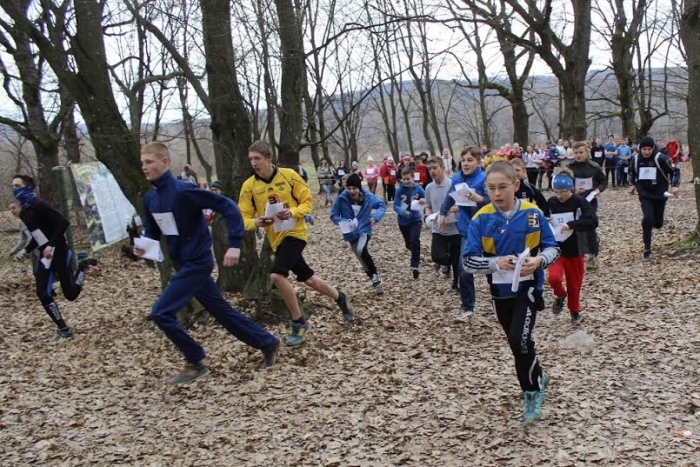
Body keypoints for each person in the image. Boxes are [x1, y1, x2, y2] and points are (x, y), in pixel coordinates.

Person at [135, 142, 280, 383]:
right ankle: (267, 342)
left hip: (197, 262)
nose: (145, 167)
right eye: (142, 163)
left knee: (161, 313)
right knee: (221, 311)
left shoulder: (184, 191)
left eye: (149, 162)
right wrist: (144, 245)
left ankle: (195, 359)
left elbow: (227, 206)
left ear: (165, 162)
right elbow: (153, 229)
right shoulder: (150, 198)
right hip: (183, 264)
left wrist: (235, 243)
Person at [463, 161, 560, 424]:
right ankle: (539, 374)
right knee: (518, 344)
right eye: (491, 188)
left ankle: (531, 394)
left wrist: (538, 262)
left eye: (503, 187)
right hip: (499, 292)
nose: (497, 194)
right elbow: (468, 261)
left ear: (516, 185)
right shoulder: (480, 218)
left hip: (528, 288)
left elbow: (553, 247)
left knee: (519, 340)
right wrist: (496, 263)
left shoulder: (533, 214)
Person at [239, 140, 354, 347]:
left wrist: (292, 212)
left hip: (296, 233)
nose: (254, 163)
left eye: (257, 158)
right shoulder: (249, 186)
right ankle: (340, 298)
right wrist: (256, 222)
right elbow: (243, 218)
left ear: (269, 158)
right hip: (276, 239)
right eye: (251, 159)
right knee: (308, 278)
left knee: (277, 274)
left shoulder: (289, 176)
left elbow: (308, 203)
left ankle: (298, 322)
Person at [11, 174, 96, 341]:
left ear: (28, 186)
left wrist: (51, 244)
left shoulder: (40, 204)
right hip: (45, 255)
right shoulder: (25, 212)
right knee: (42, 293)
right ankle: (64, 329)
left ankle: (82, 266)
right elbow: (37, 236)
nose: (14, 189)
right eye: (13, 186)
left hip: (59, 251)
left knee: (70, 294)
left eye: (17, 185)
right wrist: (26, 251)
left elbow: (63, 223)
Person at [438, 146, 487, 321]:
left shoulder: (484, 179)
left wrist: (480, 199)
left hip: (488, 229)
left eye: (470, 160)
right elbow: (451, 197)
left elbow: (495, 202)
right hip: (468, 229)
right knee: (464, 267)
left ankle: (500, 297)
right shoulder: (457, 177)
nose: (466, 164)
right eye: (464, 160)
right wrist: (443, 213)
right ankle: (467, 308)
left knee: (495, 268)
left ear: (479, 162)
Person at [547, 168, 598, 325]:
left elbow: (592, 221)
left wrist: (572, 224)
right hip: (556, 249)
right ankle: (560, 295)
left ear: (570, 189)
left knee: (574, 284)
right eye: (557, 192)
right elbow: (541, 217)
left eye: (563, 192)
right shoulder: (551, 202)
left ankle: (574, 311)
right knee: (553, 278)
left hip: (575, 249)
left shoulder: (579, 202)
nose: (560, 196)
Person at [330, 173, 387, 295]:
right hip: (350, 233)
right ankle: (374, 279)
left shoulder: (369, 197)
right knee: (362, 259)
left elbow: (382, 205)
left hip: (364, 229)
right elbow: (333, 215)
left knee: (361, 249)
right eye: (349, 188)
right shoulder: (341, 199)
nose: (351, 191)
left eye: (354, 188)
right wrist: (343, 222)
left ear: (359, 188)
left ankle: (375, 277)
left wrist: (376, 217)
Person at [628, 136, 680, 261]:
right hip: (645, 194)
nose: (646, 152)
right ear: (640, 149)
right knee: (648, 219)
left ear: (653, 149)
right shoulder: (635, 159)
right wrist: (633, 185)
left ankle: (656, 223)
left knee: (658, 223)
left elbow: (675, 171)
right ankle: (647, 249)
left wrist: (674, 185)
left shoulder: (660, 158)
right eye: (644, 149)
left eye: (649, 149)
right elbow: (631, 173)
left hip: (660, 193)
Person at [424, 157, 461, 293]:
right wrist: (428, 214)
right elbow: (428, 206)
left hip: (454, 227)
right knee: (437, 256)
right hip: (437, 228)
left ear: (443, 168)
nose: (432, 171)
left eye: (435, 168)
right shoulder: (428, 187)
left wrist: (449, 210)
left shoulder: (452, 184)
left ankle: (456, 285)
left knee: (458, 261)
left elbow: (461, 205)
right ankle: (447, 263)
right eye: (430, 169)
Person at [568, 141, 606, 270]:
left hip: (590, 201)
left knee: (589, 227)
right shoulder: (569, 167)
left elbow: (603, 181)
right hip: (573, 200)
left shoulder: (594, 167)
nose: (578, 155)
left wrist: (598, 190)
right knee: (575, 227)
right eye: (576, 153)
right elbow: (562, 184)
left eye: (581, 152)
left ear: (587, 153)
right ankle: (575, 254)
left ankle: (591, 255)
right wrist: (573, 190)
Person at [394, 167, 426, 279]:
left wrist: (424, 200)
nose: (406, 181)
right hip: (403, 221)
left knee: (415, 241)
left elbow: (427, 198)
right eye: (404, 179)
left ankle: (415, 266)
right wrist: (403, 212)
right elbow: (396, 205)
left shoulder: (419, 189)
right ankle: (417, 254)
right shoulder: (399, 190)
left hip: (415, 219)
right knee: (409, 244)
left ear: (413, 178)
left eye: (408, 179)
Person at [7, 200, 40, 272]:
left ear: (20, 207)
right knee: (36, 272)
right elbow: (23, 239)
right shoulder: (21, 223)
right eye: (10, 209)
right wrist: (14, 250)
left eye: (14, 208)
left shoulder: (31, 217)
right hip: (33, 249)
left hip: (44, 247)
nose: (12, 211)